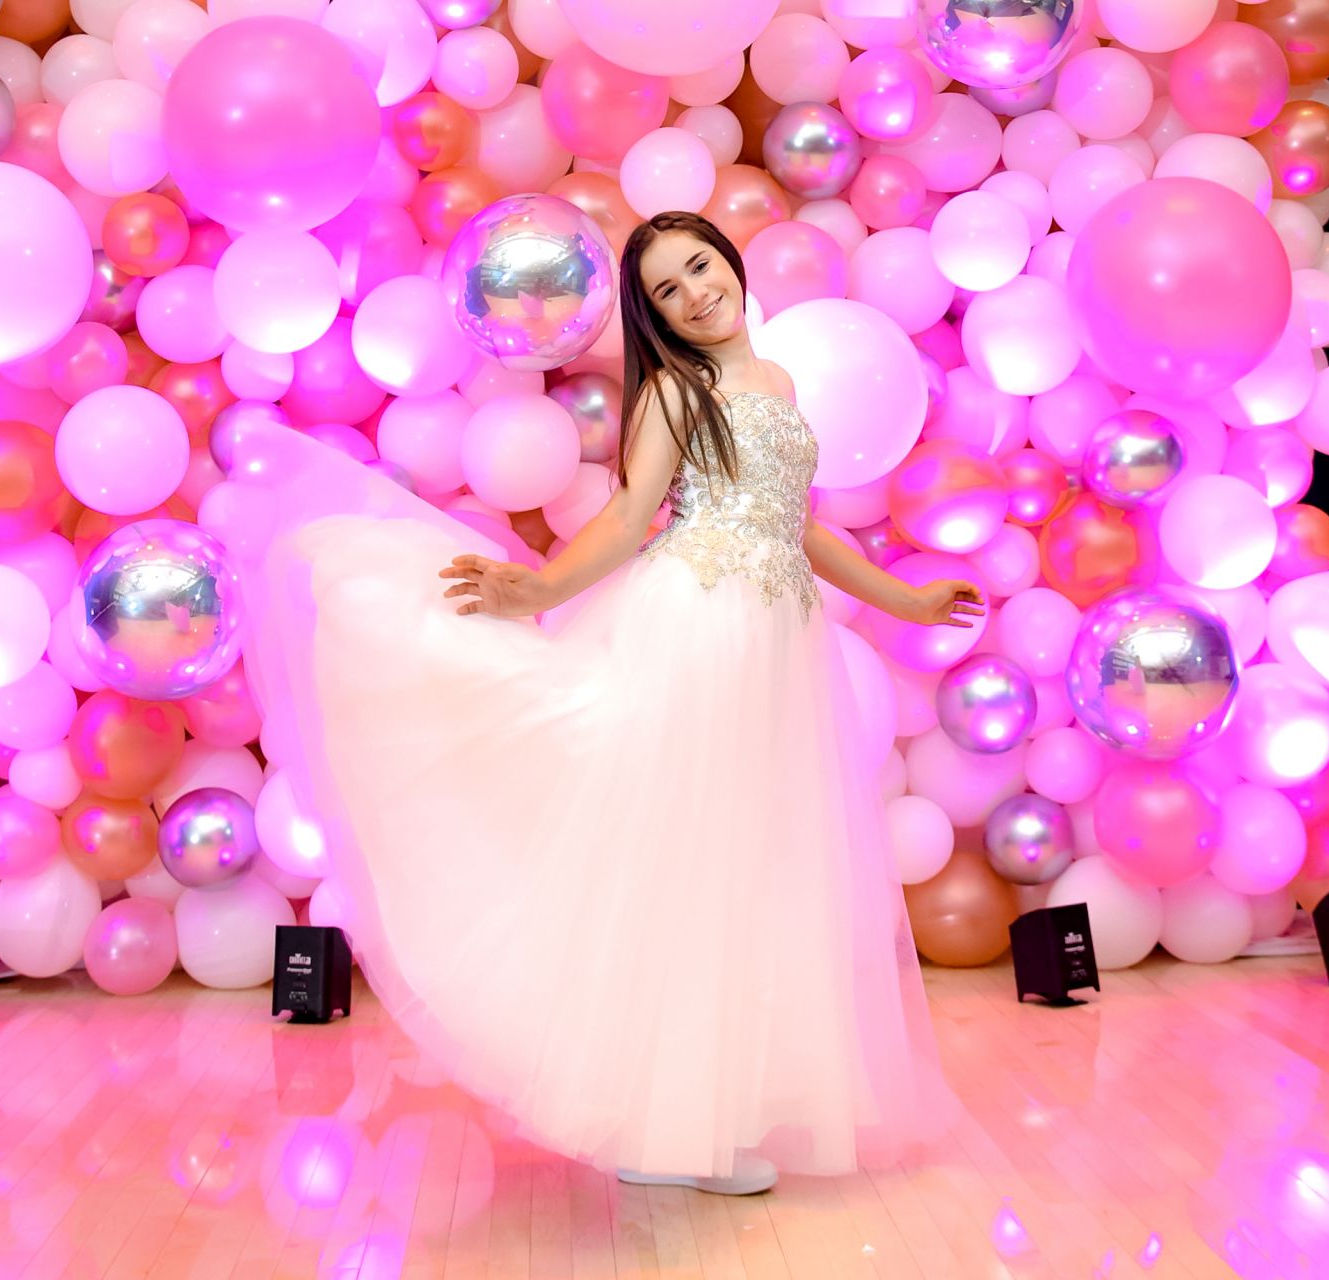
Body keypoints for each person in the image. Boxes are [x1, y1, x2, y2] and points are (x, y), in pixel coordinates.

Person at [239, 211, 977, 1197]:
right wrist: (538, 590)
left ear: (730, 262)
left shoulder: (777, 381)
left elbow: (794, 527)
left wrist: (904, 601)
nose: (695, 294)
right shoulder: (674, 390)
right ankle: (667, 1124)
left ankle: (704, 1108)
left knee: (750, 868)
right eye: (668, 290)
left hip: (775, 636)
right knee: (687, 862)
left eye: (701, 267)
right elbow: (633, 515)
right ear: (653, 314)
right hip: (703, 627)